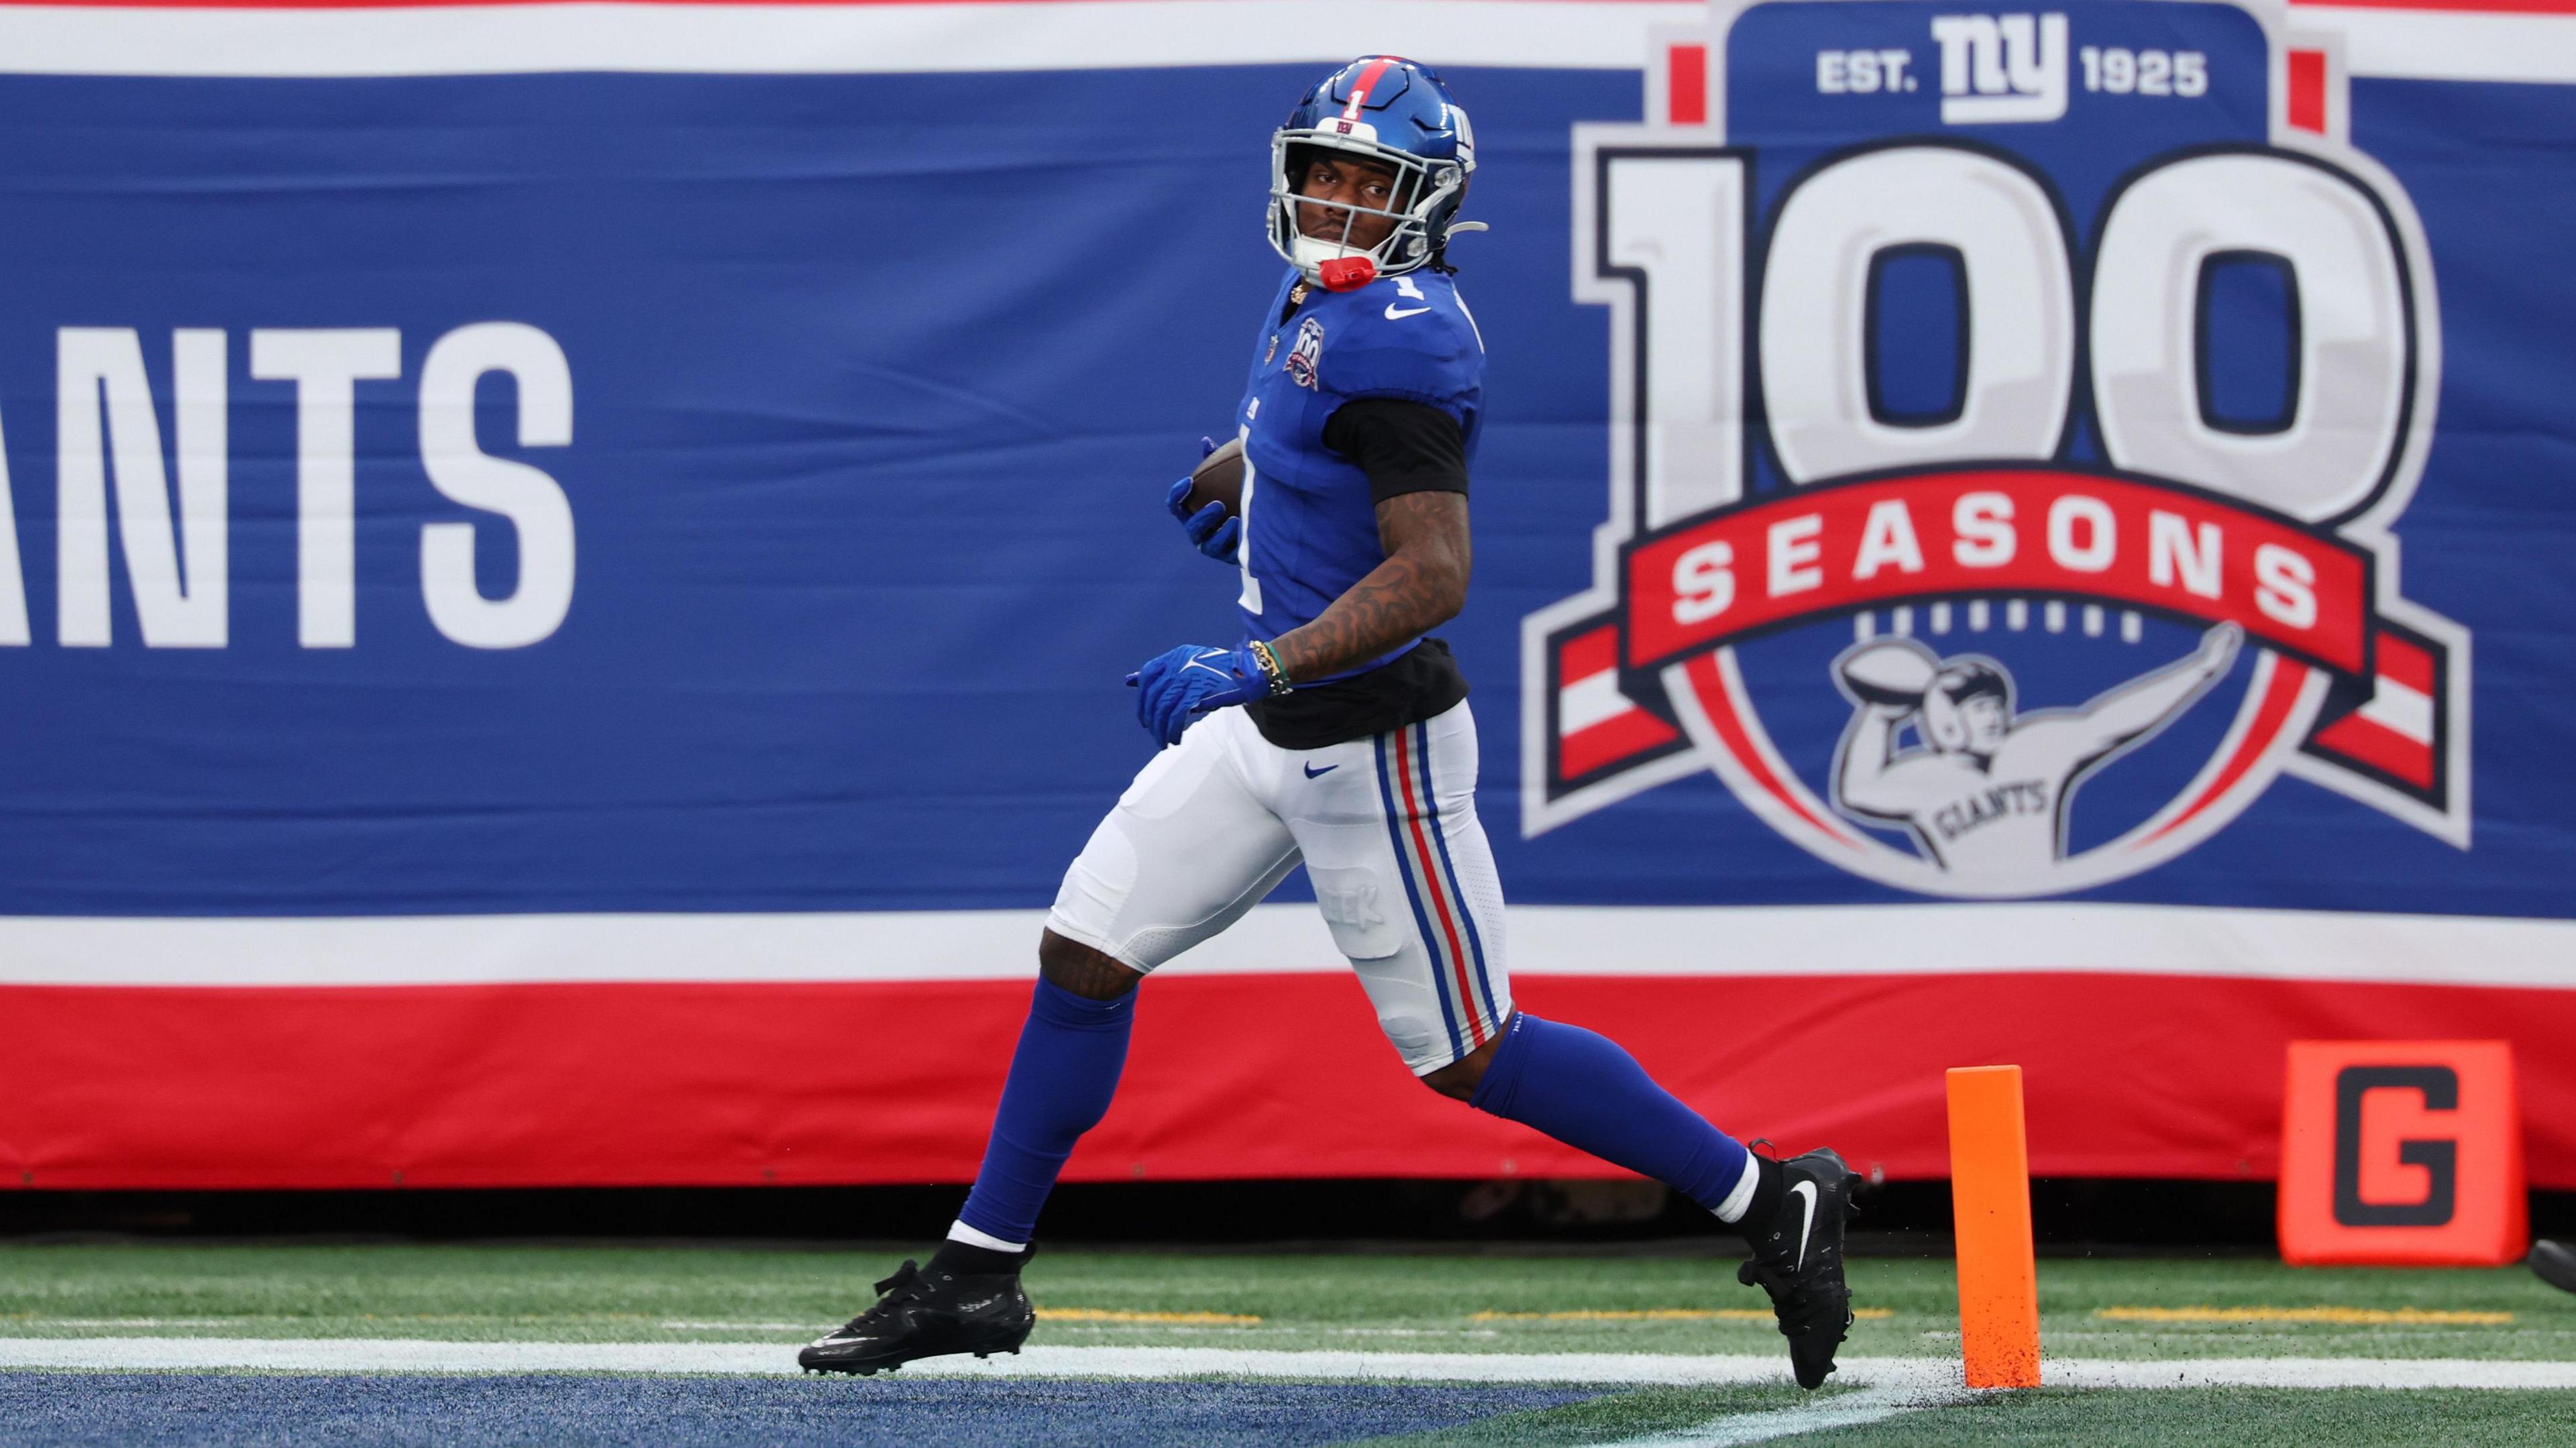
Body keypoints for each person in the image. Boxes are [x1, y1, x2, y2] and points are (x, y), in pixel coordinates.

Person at [800, 56, 1858, 1390]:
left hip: (1370, 743)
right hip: (1273, 727)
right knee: (1086, 947)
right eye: (1324, 172)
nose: (1338, 200)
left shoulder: (1408, 337)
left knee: (1472, 1051)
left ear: (1429, 201)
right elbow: (1319, 415)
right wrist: (1255, 464)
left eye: (1369, 183)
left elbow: (1434, 572)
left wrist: (1259, 660)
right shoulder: (1325, 293)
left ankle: (1770, 1195)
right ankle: (975, 1269)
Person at [1832, 623, 2242, 875]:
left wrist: (2200, 669)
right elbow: (1856, 790)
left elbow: (2112, 722)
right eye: (1979, 709)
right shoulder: (1925, 776)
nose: (1995, 718)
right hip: (1964, 922)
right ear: (1949, 724)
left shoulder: (2033, 747)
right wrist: (1880, 715)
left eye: (1996, 707)